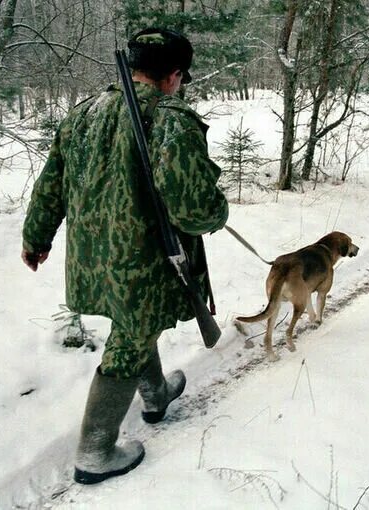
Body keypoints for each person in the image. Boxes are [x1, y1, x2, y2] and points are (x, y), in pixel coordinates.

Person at [21, 28, 229, 485]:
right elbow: (194, 210)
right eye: (181, 77)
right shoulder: (171, 118)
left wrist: (36, 237)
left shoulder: (83, 114)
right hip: (143, 262)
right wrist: (219, 212)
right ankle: (94, 452)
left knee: (136, 325)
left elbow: (50, 185)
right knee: (129, 339)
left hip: (93, 257)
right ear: (173, 76)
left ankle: (155, 395)